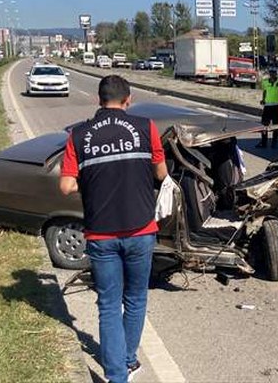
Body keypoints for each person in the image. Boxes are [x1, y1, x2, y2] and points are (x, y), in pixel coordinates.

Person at [59, 75, 167, 383]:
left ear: (99, 100)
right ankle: (129, 360)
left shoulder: (78, 135)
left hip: (101, 233)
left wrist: (90, 176)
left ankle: (117, 376)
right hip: (141, 229)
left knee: (108, 304)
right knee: (135, 299)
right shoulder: (147, 127)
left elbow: (66, 186)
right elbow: (161, 172)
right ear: (128, 100)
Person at [257, 67, 278, 148]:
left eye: (274, 73)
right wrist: (263, 100)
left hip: (276, 106)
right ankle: (264, 142)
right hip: (267, 106)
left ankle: (274, 143)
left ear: (276, 73)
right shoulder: (265, 82)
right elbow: (264, 91)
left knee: (276, 126)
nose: (272, 74)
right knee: (264, 125)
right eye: (271, 73)